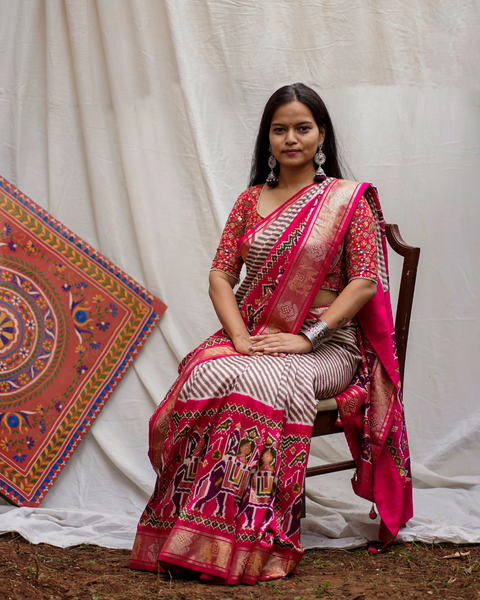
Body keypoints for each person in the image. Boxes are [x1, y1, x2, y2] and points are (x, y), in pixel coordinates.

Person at [129, 83, 413, 585]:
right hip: (256, 334)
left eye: (302, 128)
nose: (291, 138)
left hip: (328, 345)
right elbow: (221, 275)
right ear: (267, 138)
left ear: (321, 134)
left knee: (262, 383)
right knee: (204, 376)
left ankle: (246, 536)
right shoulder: (248, 200)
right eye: (279, 129)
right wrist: (238, 338)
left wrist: (309, 338)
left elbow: (365, 281)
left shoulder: (348, 201)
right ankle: (188, 528)